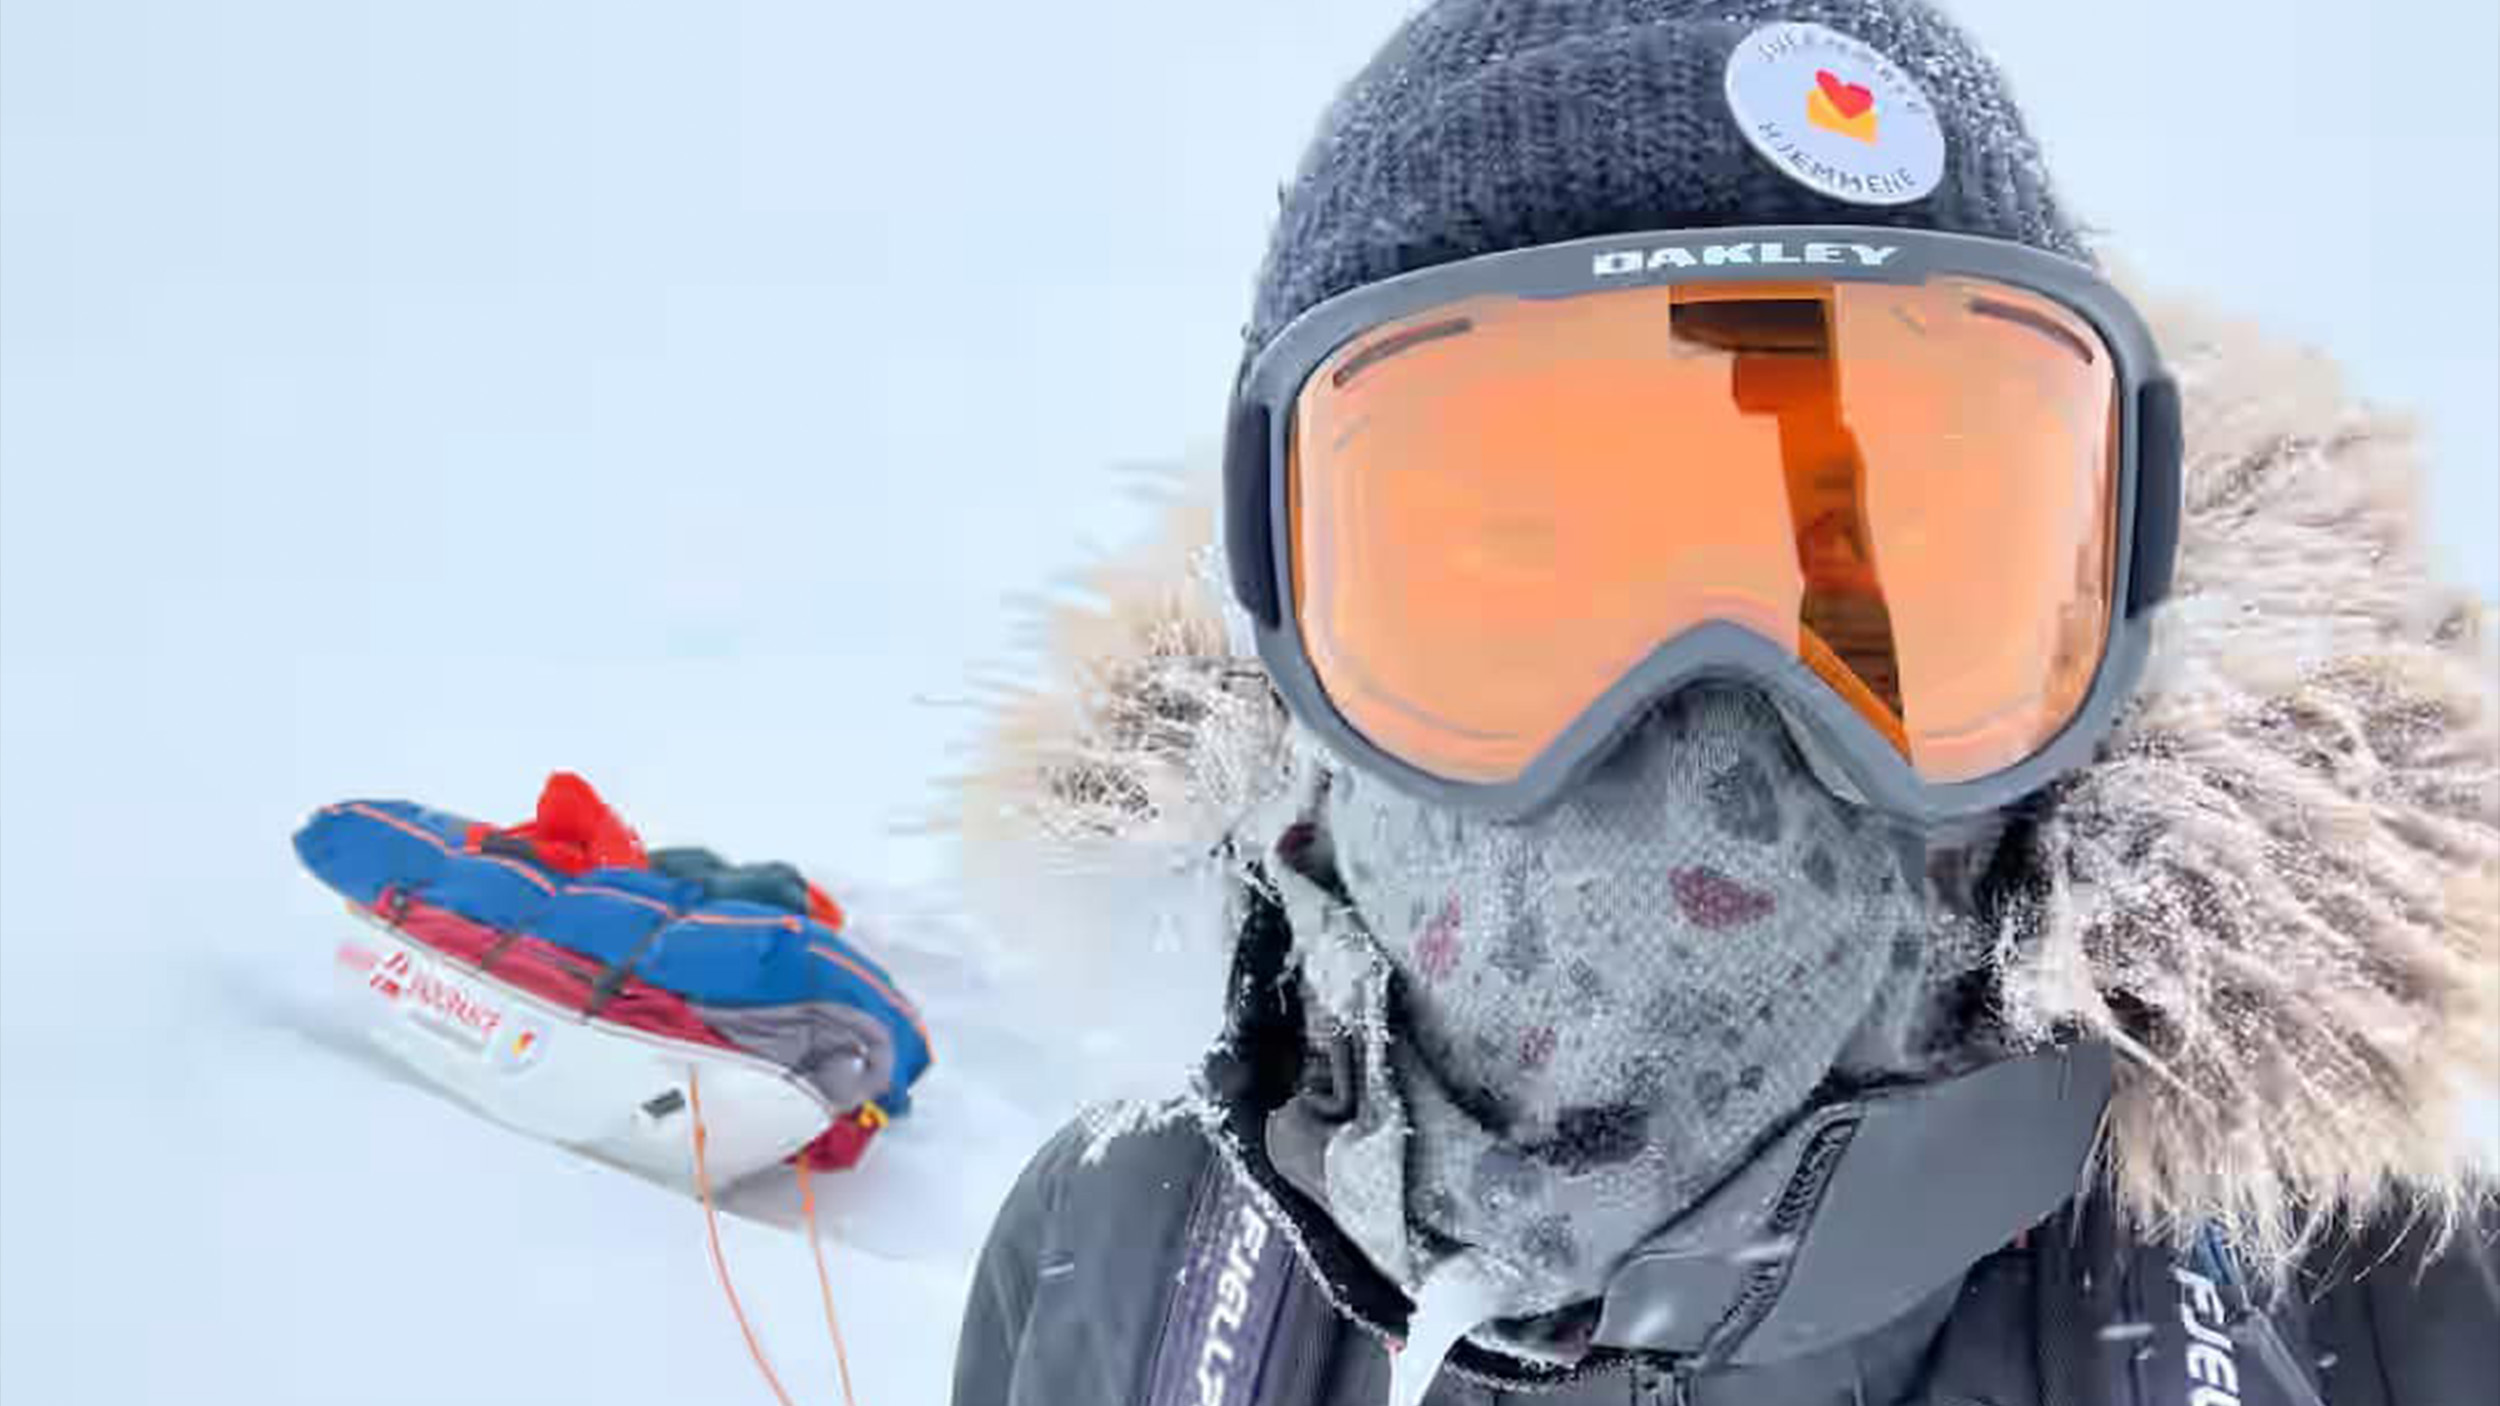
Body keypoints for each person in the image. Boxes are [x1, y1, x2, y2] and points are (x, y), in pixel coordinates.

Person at [949, 2, 2500, 1402]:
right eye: (1518, 554)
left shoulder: (2388, 1290)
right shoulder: (1121, 1258)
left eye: (1852, 561)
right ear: (1292, 610)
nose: (1706, 744)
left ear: (2088, 576)